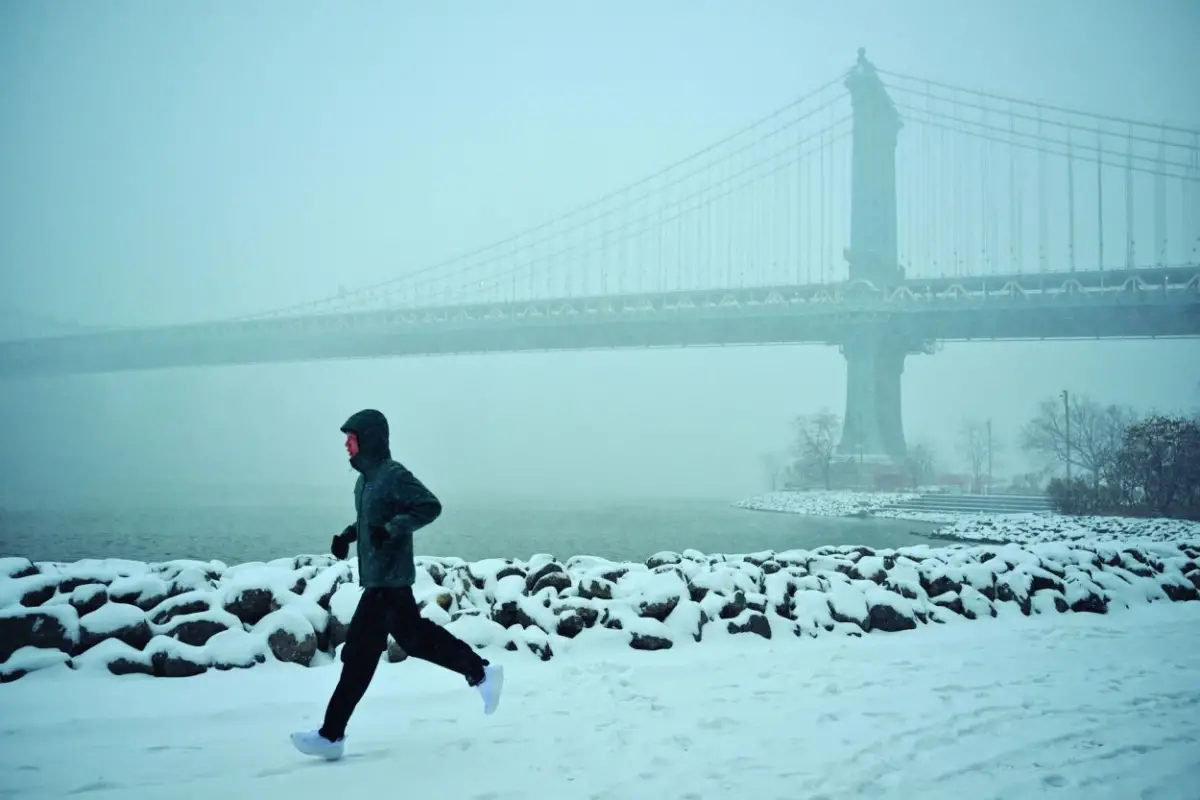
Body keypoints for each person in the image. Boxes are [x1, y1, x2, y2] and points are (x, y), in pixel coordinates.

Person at [290, 408, 503, 761]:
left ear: (369, 439)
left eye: (352, 438)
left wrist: (392, 530)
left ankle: (331, 735)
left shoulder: (393, 474)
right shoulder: (365, 481)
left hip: (389, 581)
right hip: (379, 581)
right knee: (404, 643)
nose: (346, 444)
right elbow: (369, 519)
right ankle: (481, 672)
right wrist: (348, 535)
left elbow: (429, 506)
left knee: (362, 654)